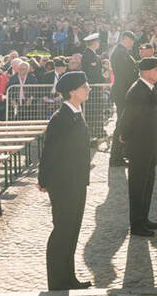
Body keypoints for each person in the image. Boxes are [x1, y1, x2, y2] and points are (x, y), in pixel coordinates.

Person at [37, 71, 92, 290]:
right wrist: (43, 179)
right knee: (62, 231)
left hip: (77, 182)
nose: (88, 88)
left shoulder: (77, 112)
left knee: (72, 231)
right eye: (84, 86)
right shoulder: (60, 118)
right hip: (63, 184)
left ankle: (68, 278)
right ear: (72, 91)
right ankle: (57, 282)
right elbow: (49, 151)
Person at [120, 57, 157, 237]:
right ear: (147, 72)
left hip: (149, 145)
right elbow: (127, 119)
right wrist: (125, 138)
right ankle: (136, 224)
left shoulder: (149, 88)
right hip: (140, 147)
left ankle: (144, 218)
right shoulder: (138, 91)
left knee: (148, 183)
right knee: (138, 185)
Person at [109, 31, 138, 167]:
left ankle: (120, 154)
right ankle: (116, 157)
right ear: (125, 39)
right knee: (121, 123)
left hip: (123, 90)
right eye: (131, 41)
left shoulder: (122, 52)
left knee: (123, 122)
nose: (132, 43)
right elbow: (126, 74)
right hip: (122, 91)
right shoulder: (120, 53)